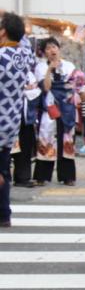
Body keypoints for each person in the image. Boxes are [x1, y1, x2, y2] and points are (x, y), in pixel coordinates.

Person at [0, 12, 36, 227]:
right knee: (4, 168)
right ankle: (4, 214)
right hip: (11, 120)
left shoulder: (1, 56)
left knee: (2, 173)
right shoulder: (26, 55)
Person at [33, 38, 77, 187]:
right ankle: (42, 176)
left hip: (67, 107)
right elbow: (45, 87)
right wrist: (49, 69)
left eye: (54, 47)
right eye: (48, 48)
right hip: (50, 107)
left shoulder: (69, 66)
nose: (52, 50)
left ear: (59, 48)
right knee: (46, 137)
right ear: (44, 52)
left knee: (67, 140)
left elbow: (72, 86)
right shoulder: (40, 67)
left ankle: (67, 176)